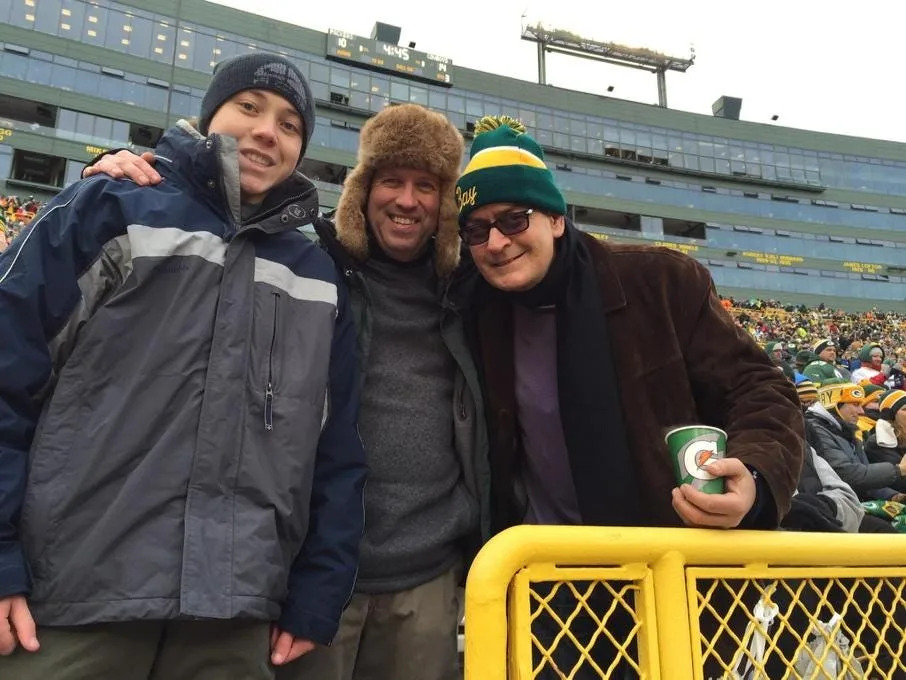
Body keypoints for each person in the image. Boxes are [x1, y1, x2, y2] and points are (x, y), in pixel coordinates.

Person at [86, 103, 490, 680]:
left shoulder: (466, 287)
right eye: (391, 181)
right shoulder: (310, 259)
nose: (407, 201)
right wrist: (121, 165)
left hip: (427, 572)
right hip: (313, 569)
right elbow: (219, 221)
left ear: (443, 202)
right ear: (362, 190)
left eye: (425, 186)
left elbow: (533, 245)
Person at [0, 53, 366, 679]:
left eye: (289, 124)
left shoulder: (319, 275)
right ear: (210, 116)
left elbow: (335, 453)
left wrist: (319, 592)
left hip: (235, 610)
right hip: (75, 597)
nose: (266, 131)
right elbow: (8, 379)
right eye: (248, 108)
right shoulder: (106, 208)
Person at [454, 116, 804, 677]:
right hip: (545, 582)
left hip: (670, 575)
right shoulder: (471, 309)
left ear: (555, 218)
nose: (496, 243)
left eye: (514, 219)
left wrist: (756, 479)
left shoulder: (659, 283)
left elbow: (761, 387)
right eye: (476, 229)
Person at [804, 381, 906, 503]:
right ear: (833, 404)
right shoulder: (816, 431)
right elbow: (847, 475)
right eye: (855, 404)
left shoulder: (848, 432)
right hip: (832, 507)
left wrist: (894, 496)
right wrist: (899, 470)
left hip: (852, 502)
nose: (861, 411)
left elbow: (868, 480)